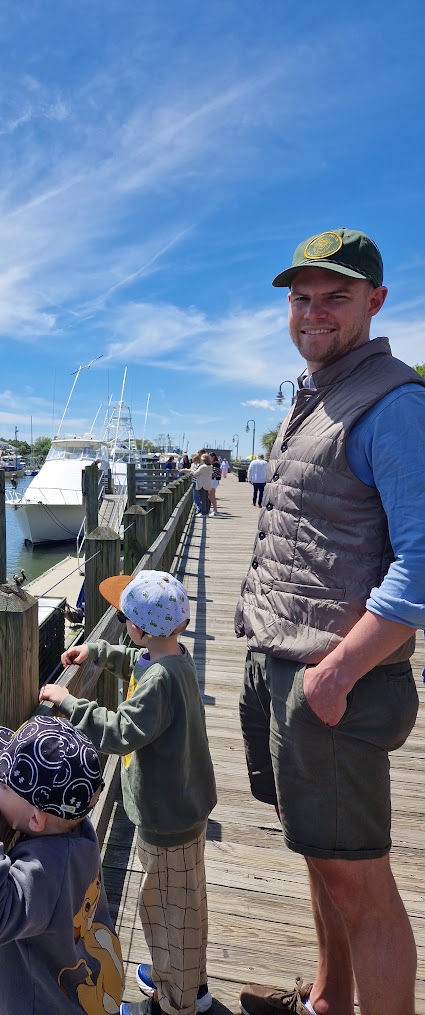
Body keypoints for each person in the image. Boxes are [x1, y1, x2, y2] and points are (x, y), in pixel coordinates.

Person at [236, 228, 425, 1015]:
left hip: (331, 681)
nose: (312, 312)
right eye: (301, 297)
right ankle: (326, 1000)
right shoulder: (316, 390)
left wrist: (336, 673)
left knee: (360, 881)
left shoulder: (393, 402)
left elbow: (422, 561)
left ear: (374, 301)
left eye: (334, 296)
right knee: (319, 854)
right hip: (280, 658)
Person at [40, 570, 217, 1015]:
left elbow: (119, 732)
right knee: (187, 905)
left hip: (166, 819)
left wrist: (68, 702)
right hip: (185, 810)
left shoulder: (158, 681)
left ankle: (173, 1003)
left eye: (124, 620)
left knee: (163, 913)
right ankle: (189, 984)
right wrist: (96, 651)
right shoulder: (171, 659)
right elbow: (134, 661)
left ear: (137, 628)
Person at [0, 714, 124, 1015]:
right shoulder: (81, 833)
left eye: (3, 784)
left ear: (35, 819)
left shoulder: (43, 873)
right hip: (85, 989)